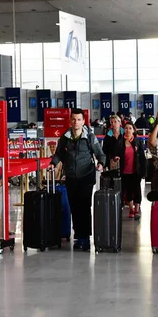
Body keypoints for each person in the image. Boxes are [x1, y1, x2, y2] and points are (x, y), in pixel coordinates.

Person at [50, 108, 106, 252]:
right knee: (74, 207)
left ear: (83, 121)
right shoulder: (65, 138)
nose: (76, 122)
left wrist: (101, 163)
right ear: (70, 121)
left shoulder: (89, 137)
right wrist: (53, 164)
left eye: (79, 120)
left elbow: (100, 154)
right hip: (71, 177)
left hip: (86, 176)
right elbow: (59, 154)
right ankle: (78, 237)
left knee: (84, 206)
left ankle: (85, 238)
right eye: (73, 119)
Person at [113, 122, 146, 219]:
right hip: (125, 171)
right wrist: (116, 158)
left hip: (136, 171)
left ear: (133, 130)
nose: (128, 130)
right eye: (126, 128)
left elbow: (142, 158)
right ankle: (131, 208)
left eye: (130, 128)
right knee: (128, 190)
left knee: (136, 190)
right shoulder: (120, 143)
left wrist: (144, 171)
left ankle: (137, 209)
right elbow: (115, 154)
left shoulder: (137, 142)